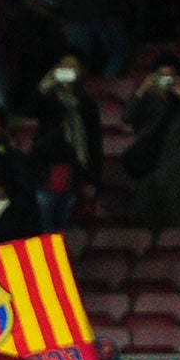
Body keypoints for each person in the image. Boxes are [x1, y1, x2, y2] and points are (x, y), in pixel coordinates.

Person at [122, 55, 180, 230]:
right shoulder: (144, 101)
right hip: (148, 169)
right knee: (147, 224)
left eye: (170, 76)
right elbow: (127, 117)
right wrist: (142, 89)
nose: (165, 80)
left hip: (175, 172)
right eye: (160, 75)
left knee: (178, 224)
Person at [29, 54, 103, 229]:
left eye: (73, 67)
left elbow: (94, 143)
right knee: (45, 229)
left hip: (74, 173)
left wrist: (93, 180)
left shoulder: (87, 105)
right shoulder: (48, 99)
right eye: (64, 66)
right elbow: (29, 110)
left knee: (65, 230)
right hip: (47, 171)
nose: (69, 71)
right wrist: (43, 88)